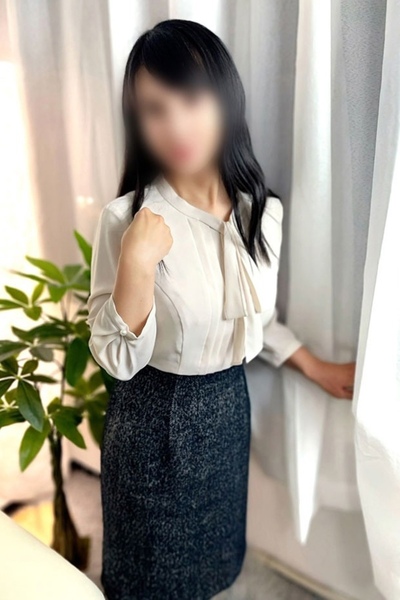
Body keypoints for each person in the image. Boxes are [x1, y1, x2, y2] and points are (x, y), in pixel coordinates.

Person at [88, 19, 355, 600]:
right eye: (154, 109)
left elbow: (253, 318)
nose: (176, 126)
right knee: (147, 578)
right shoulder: (126, 221)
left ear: (224, 98)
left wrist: (317, 368)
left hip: (228, 410)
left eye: (191, 99)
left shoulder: (263, 212)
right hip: (152, 418)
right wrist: (136, 263)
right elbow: (115, 358)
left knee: (212, 568)